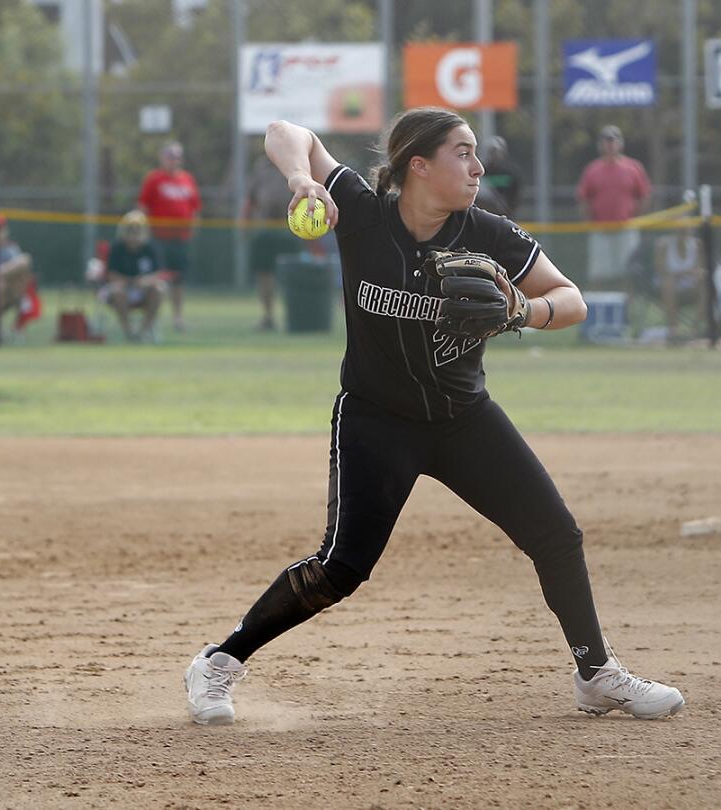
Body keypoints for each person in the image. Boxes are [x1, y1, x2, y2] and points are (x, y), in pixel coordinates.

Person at [183, 107, 685, 725]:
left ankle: (596, 674)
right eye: (463, 152)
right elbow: (286, 132)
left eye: (476, 154)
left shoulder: (490, 232)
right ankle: (218, 661)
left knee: (557, 536)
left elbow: (571, 299)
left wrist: (523, 314)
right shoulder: (362, 214)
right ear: (418, 165)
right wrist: (301, 179)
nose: (478, 166)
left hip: (463, 419)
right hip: (376, 420)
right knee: (342, 567)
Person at [137, 140, 201, 332]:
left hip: (180, 239)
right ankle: (152, 318)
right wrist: (143, 232)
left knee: (178, 280)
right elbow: (142, 207)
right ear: (163, 158)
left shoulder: (187, 179)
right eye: (171, 156)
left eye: (177, 157)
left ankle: (178, 318)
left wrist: (193, 228)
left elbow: (195, 207)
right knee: (157, 279)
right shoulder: (154, 179)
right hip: (158, 238)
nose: (175, 160)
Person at [576, 125, 652, 285]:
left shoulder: (633, 167)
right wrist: (590, 221)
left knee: (629, 273)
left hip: (626, 229)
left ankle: (628, 308)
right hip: (601, 230)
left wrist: (635, 218)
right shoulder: (592, 169)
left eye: (613, 140)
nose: (610, 144)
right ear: (600, 145)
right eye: (606, 141)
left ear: (620, 143)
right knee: (598, 275)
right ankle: (596, 308)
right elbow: (583, 198)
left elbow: (644, 195)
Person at [241, 155, 298, 331]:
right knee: (264, 275)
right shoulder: (261, 167)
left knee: (292, 275)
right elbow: (250, 200)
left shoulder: (294, 163)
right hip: (264, 229)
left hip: (289, 229)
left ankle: (295, 316)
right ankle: (268, 317)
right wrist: (246, 224)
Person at [100, 211, 169, 342]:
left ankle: (144, 331)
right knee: (117, 292)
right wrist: (128, 282)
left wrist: (144, 282)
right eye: (130, 229)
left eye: (137, 229)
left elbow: (157, 274)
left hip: (143, 291)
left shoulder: (150, 248)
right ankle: (129, 332)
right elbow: (112, 274)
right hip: (122, 289)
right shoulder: (117, 248)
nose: (134, 233)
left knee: (159, 289)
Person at [652, 223, 711, 338]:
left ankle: (694, 329)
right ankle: (674, 330)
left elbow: (700, 269)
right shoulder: (663, 245)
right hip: (667, 286)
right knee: (668, 283)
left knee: (706, 283)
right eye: (679, 230)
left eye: (685, 230)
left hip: (689, 286)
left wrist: (697, 273)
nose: (683, 233)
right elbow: (660, 269)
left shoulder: (697, 245)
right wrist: (682, 273)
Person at [480, 135, 523, 218]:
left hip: (506, 216)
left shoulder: (510, 173)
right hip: (484, 216)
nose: (494, 154)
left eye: (496, 151)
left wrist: (509, 210)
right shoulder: (481, 171)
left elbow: (517, 194)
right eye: (491, 151)